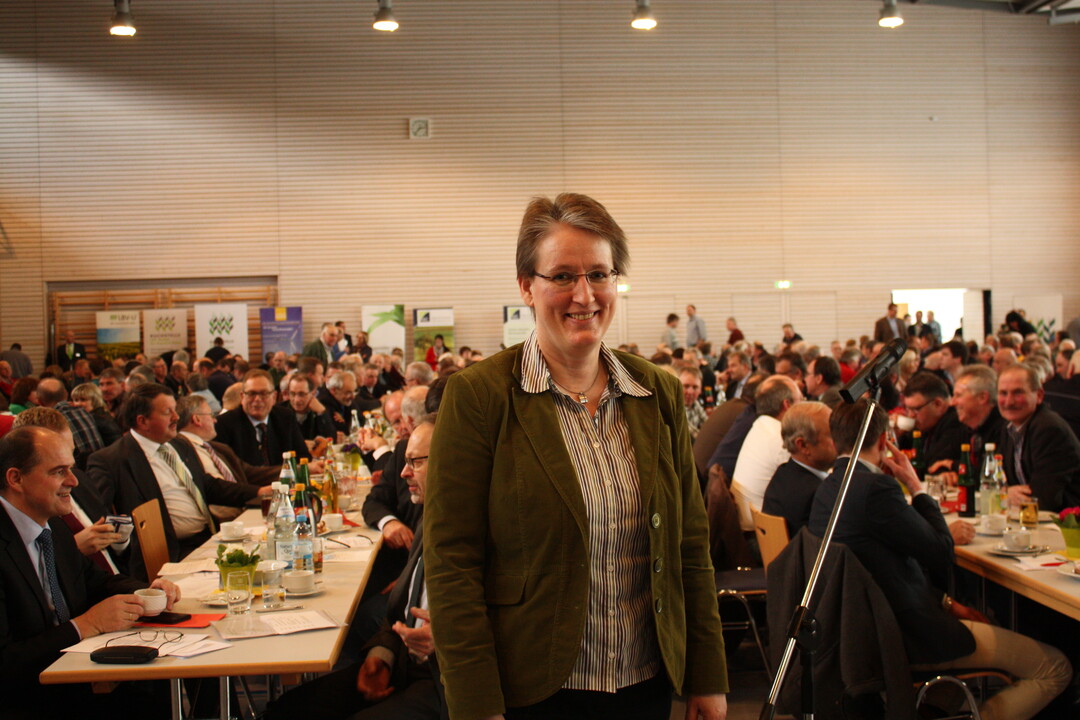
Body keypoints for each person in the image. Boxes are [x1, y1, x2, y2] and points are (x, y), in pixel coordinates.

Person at [425, 193, 727, 720]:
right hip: (532, 690)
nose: (583, 294)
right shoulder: (480, 397)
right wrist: (476, 704)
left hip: (646, 682)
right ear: (527, 286)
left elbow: (689, 547)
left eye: (599, 274)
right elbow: (452, 564)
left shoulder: (656, 392)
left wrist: (707, 674)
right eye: (562, 276)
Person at [809, 400, 1071, 720]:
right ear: (883, 441)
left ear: (835, 441)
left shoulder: (829, 486)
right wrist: (917, 487)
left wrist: (947, 602)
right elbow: (940, 552)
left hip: (859, 632)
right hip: (906, 636)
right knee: (1055, 667)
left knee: (971, 649)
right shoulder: (875, 487)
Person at [265, 419, 446, 720]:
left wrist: (444, 638)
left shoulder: (486, 530)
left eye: (415, 462)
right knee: (285, 711)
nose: (404, 473)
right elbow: (399, 615)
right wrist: (380, 657)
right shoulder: (430, 518)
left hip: (445, 682)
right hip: (402, 664)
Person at [0, 426, 179, 719]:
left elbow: (94, 580)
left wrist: (146, 592)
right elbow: (5, 662)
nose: (73, 481)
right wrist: (86, 625)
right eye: (59, 471)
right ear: (16, 479)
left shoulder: (51, 524)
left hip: (74, 679)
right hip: (26, 698)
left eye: (71, 469)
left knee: (160, 685)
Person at [87, 383, 264, 579]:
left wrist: (258, 493)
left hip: (209, 540)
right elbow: (101, 518)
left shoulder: (178, 443)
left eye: (175, 409)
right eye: (167, 412)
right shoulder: (112, 461)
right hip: (170, 556)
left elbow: (207, 485)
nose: (177, 417)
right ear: (143, 421)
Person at [999, 363, 1080, 512]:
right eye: (1003, 393)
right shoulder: (1010, 427)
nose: (1009, 402)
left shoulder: (1049, 429)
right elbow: (998, 479)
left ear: (1039, 396)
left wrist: (1003, 494)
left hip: (1065, 525)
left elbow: (1043, 498)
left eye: (1018, 393)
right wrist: (1005, 492)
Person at [762, 401, 835, 536]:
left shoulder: (783, 473)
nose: (839, 441)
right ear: (803, 446)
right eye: (832, 435)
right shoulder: (819, 494)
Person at [213, 370, 312, 467]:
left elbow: (303, 457)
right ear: (242, 397)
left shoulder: (285, 417)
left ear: (274, 397)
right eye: (252, 393)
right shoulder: (224, 424)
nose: (257, 399)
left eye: (264, 393)